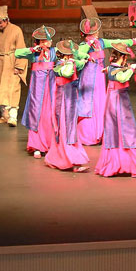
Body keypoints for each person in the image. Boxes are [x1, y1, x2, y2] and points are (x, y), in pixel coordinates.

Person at [75, 18, 136, 146]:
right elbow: (79, 54)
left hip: (99, 77)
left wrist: (131, 41)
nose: (97, 33)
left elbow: (115, 42)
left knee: (100, 103)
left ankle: (99, 134)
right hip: (88, 78)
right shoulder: (83, 45)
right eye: (95, 31)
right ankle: (87, 135)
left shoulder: (101, 42)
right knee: (89, 104)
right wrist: (89, 43)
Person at [95, 42, 136, 178]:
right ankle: (130, 164)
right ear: (123, 57)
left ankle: (117, 163)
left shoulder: (112, 68)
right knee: (126, 130)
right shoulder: (115, 70)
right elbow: (122, 77)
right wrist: (131, 69)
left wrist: (128, 68)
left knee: (115, 131)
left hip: (113, 101)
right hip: (118, 103)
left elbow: (117, 72)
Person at [45, 39, 90, 172]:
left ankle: (70, 158)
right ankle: (69, 159)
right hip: (63, 100)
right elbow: (67, 73)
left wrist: (85, 59)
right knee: (64, 127)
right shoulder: (59, 65)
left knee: (70, 127)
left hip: (71, 98)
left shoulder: (71, 62)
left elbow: (79, 64)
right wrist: (70, 62)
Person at [17, 26, 59, 157]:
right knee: (36, 113)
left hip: (51, 88)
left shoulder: (54, 52)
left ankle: (50, 144)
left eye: (48, 40)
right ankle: (36, 145)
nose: (46, 43)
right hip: (37, 90)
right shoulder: (34, 54)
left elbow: (72, 52)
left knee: (50, 113)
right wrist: (32, 49)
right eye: (43, 41)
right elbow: (17, 53)